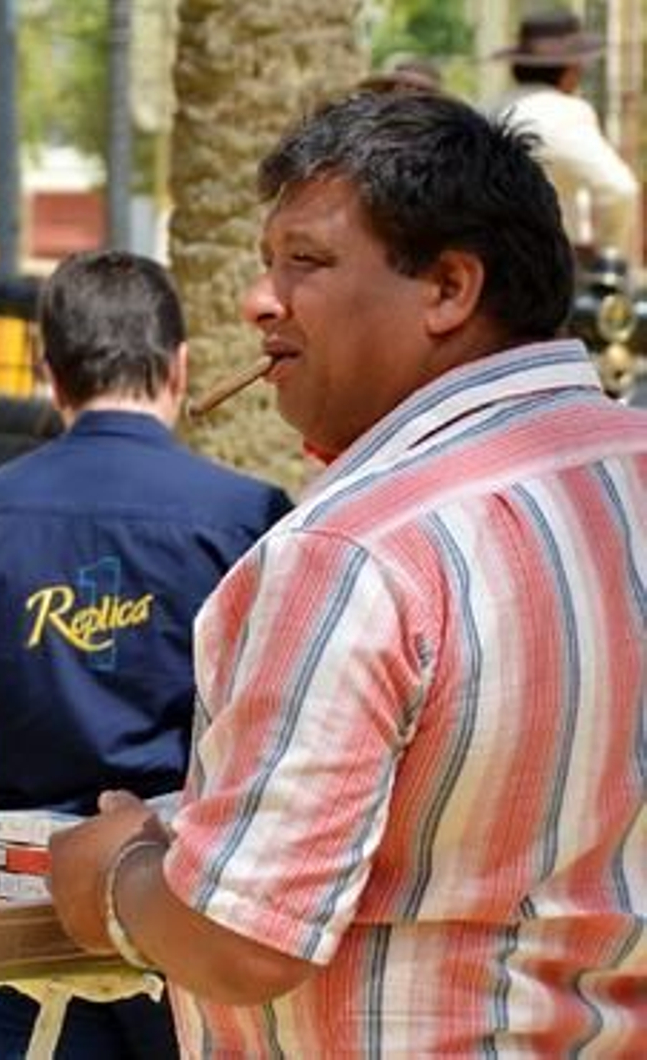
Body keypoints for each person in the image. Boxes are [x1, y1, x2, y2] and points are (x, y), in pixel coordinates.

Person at [49, 91, 647, 1054]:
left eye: (308, 262)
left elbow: (239, 940)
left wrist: (111, 875)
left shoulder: (353, 552)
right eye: (266, 264)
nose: (261, 302)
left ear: (449, 289)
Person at [0, 251, 292, 1059]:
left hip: (24, 896)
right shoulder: (246, 517)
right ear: (180, 364)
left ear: (50, 373)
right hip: (185, 902)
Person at [488, 10, 640, 265]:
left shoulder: (485, 110)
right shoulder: (566, 114)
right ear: (570, 70)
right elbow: (620, 190)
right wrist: (609, 256)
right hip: (543, 268)